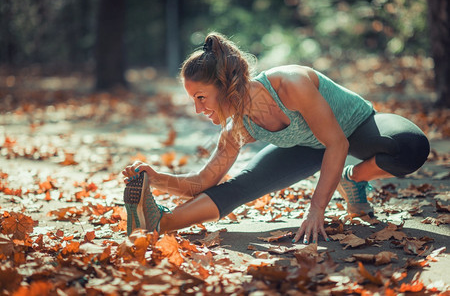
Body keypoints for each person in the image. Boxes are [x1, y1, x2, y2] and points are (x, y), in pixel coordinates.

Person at [122, 32, 430, 244]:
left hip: (356, 125)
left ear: (225, 84)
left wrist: (316, 209)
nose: (198, 108)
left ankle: (353, 178)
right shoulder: (237, 129)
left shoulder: (290, 85)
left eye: (201, 97)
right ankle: (160, 223)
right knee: (242, 186)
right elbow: (203, 182)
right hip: (307, 149)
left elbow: (337, 143)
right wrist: (157, 178)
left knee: (410, 146)